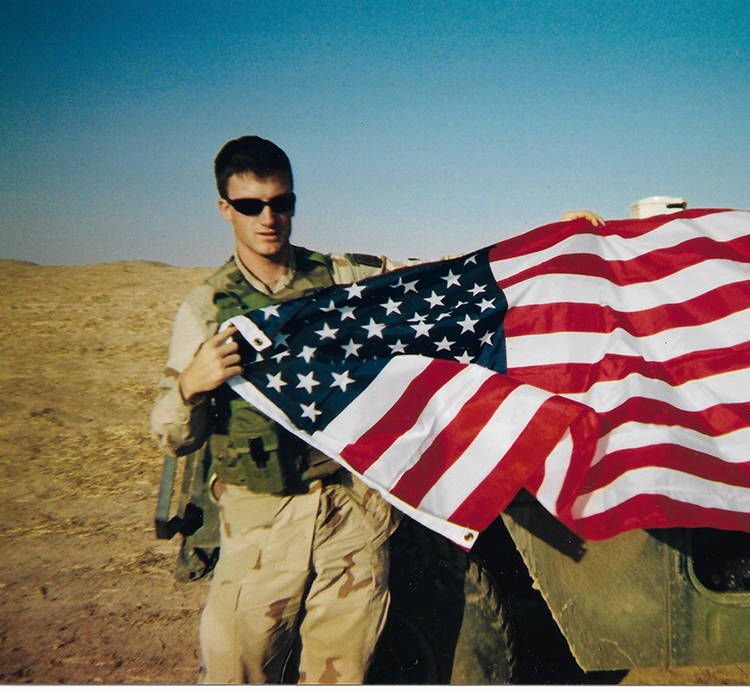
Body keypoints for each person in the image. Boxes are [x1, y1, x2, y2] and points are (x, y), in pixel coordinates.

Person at [150, 134, 603, 683]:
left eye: (281, 203)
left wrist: (549, 241)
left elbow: (441, 282)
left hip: (351, 517)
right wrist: (190, 388)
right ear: (225, 209)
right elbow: (175, 438)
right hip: (262, 528)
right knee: (238, 673)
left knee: (344, 673)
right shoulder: (207, 309)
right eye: (250, 206)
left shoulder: (341, 280)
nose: (268, 218)